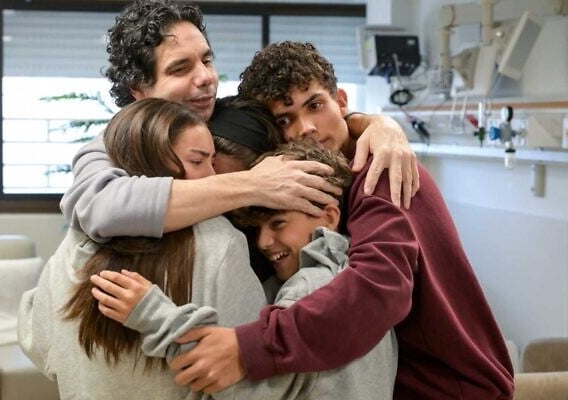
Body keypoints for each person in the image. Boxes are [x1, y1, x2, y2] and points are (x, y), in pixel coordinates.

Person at [165, 41, 515, 400]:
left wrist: (250, 347)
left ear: (342, 102)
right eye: (285, 120)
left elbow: (378, 289)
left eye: (315, 106)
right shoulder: (336, 180)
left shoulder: (382, 172)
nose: (306, 129)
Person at [60, 0, 420, 245]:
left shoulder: (225, 116)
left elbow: (302, 126)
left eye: (207, 60)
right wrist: (251, 184)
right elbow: (98, 207)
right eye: (181, 68)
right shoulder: (114, 144)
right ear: (139, 90)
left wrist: (374, 123)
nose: (205, 78)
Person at [90, 139, 398, 400]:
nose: (264, 242)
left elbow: (248, 390)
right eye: (257, 229)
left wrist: (153, 314)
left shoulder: (311, 288)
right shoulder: (353, 287)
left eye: (279, 223)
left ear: (329, 217)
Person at [18, 98, 269, 399]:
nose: (212, 179)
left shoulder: (79, 239)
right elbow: (249, 373)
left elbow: (39, 341)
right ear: (153, 159)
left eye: (212, 162)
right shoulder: (220, 241)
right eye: (198, 161)